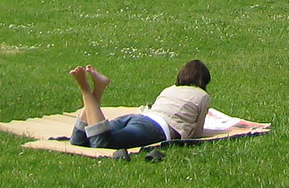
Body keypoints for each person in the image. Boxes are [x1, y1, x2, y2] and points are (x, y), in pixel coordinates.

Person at [67, 61, 212, 152]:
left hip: (139, 118)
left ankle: (98, 89)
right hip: (157, 127)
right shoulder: (202, 96)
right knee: (102, 143)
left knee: (79, 140)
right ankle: (86, 89)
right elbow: (197, 133)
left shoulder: (170, 89)